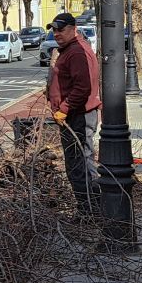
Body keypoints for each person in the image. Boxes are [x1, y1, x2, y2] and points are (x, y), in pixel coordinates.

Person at [50, 12, 101, 213]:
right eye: (54, 30)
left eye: (61, 30)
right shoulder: (69, 50)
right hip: (75, 116)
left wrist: (63, 109)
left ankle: (90, 211)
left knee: (80, 166)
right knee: (79, 164)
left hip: (78, 116)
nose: (56, 34)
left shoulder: (77, 52)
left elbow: (82, 88)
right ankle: (89, 208)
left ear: (73, 29)